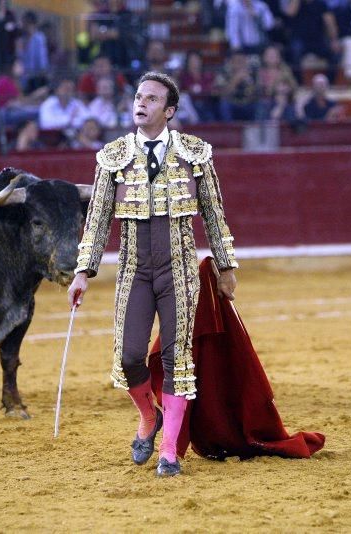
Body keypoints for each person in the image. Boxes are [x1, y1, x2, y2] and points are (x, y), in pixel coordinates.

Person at [67, 71, 238, 478]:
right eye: (138, 97)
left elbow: (214, 212)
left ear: (169, 110)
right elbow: (97, 219)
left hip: (179, 269)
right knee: (128, 358)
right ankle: (149, 416)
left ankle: (169, 453)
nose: (140, 103)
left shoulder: (195, 153)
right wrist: (81, 272)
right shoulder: (113, 156)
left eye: (151, 99)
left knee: (177, 360)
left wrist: (226, 266)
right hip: (134, 270)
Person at [15, 10, 48, 94]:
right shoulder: (20, 39)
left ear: (32, 24)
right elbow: (19, 57)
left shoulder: (39, 38)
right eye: (23, 23)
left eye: (25, 23)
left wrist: (43, 73)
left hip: (37, 77)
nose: (23, 25)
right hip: (24, 78)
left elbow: (42, 58)